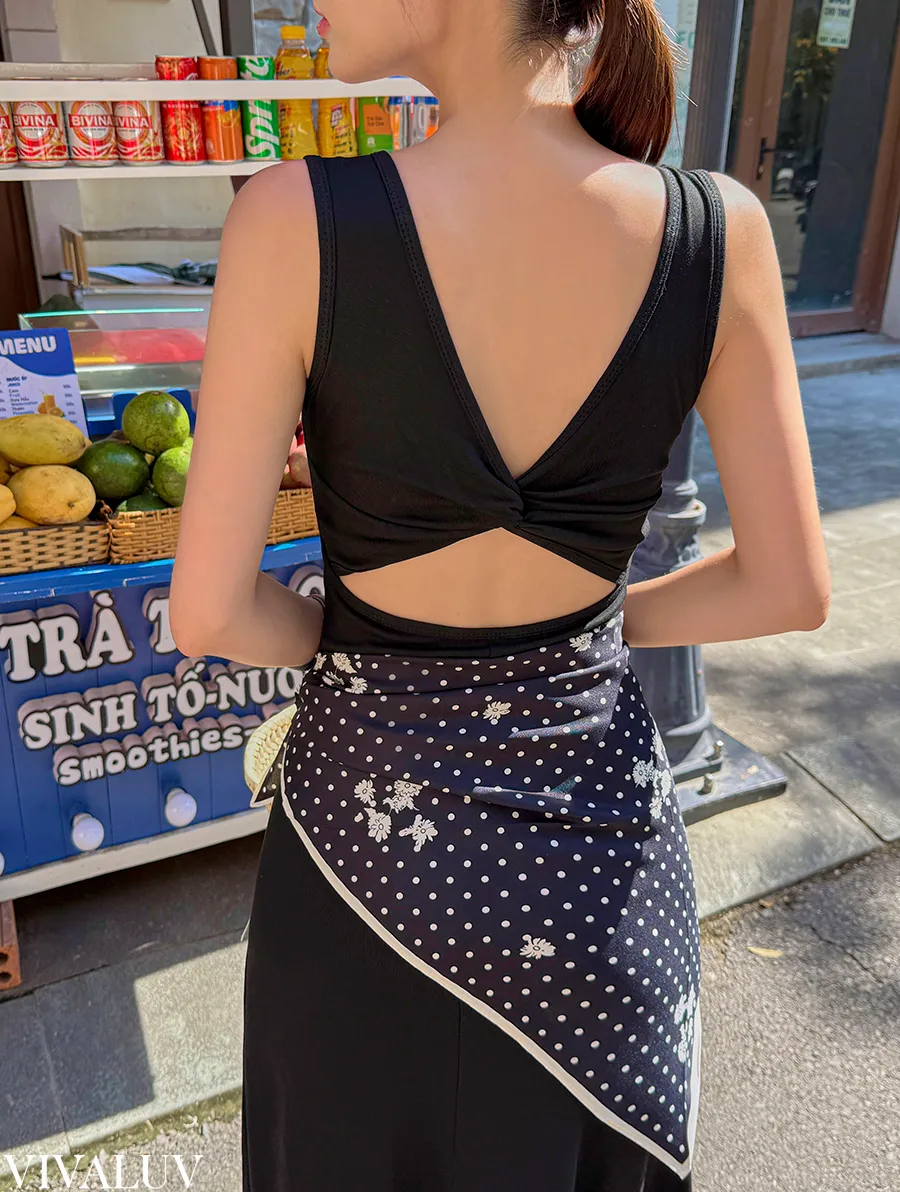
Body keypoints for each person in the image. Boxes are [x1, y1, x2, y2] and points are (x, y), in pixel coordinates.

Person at [170, 0, 831, 1187]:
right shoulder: (719, 230)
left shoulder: (292, 218)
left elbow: (213, 612)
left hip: (364, 874)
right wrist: (587, 630)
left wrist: (352, 643)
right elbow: (788, 586)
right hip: (600, 885)